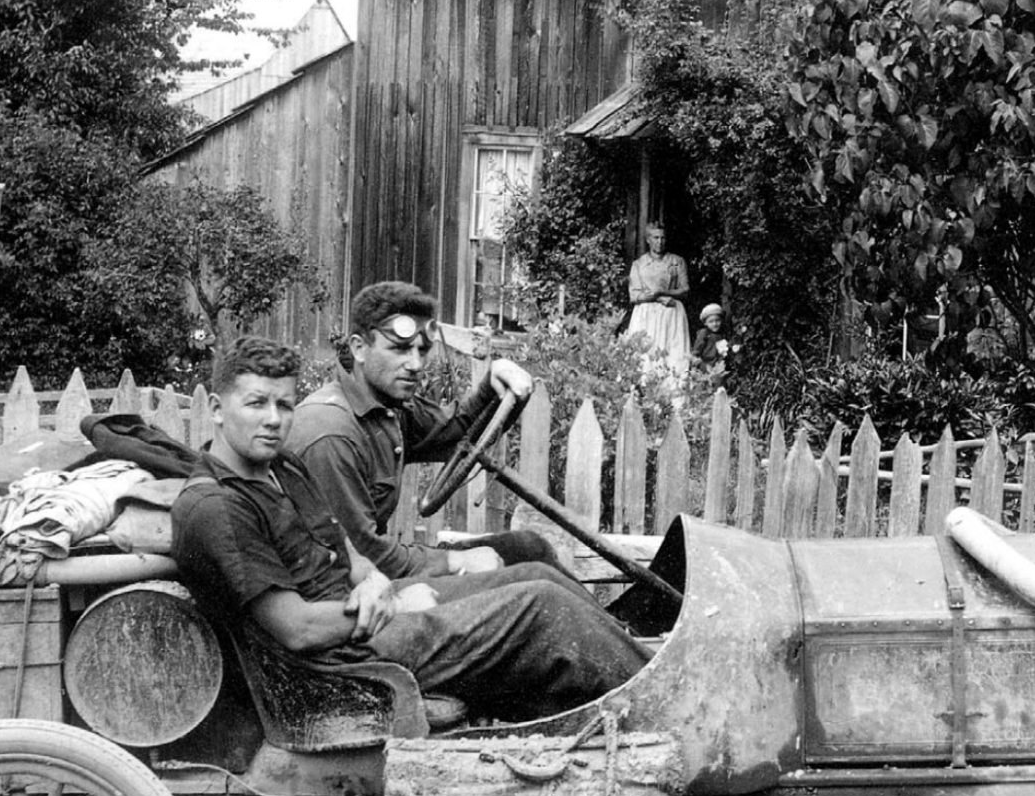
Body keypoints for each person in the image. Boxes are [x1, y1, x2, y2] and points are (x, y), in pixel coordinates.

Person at [171, 337, 649, 723]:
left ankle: (633, 678)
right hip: (334, 666)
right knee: (542, 609)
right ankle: (664, 702)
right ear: (216, 408)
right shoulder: (218, 506)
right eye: (256, 404)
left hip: (362, 618)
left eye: (284, 405)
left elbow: (346, 548)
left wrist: (374, 581)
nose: (274, 420)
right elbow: (295, 630)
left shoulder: (281, 466)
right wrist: (395, 605)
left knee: (536, 574)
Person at [287, 281, 568, 583]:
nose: (416, 364)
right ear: (359, 348)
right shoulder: (330, 432)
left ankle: (619, 631)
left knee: (526, 548)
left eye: (423, 350)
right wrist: (453, 560)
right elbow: (361, 555)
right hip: (356, 597)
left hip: (383, 574)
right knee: (535, 584)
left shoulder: (386, 407)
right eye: (400, 349)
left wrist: (492, 386)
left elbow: (457, 433)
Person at [623, 221, 690, 387]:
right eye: (655, 238)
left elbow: (685, 290)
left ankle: (675, 401)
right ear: (648, 240)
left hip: (671, 314)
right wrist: (656, 298)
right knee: (646, 357)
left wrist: (662, 293)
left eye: (662, 238)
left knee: (674, 356)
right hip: (646, 315)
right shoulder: (639, 265)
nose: (659, 242)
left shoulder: (676, 261)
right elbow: (635, 295)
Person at [690, 303, 735, 390]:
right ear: (705, 323)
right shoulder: (704, 334)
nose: (715, 324)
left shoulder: (722, 334)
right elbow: (696, 352)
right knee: (704, 389)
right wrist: (698, 363)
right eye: (711, 321)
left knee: (718, 389)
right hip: (705, 366)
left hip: (718, 367)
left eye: (717, 320)